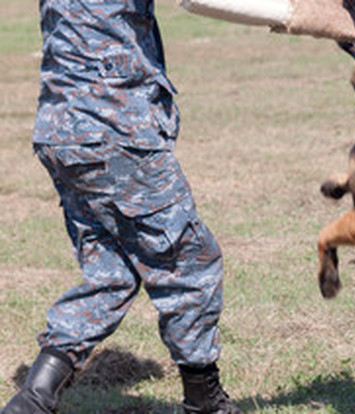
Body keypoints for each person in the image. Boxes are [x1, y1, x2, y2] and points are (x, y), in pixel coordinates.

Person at [1, 1, 241, 413]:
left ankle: (34, 397)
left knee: (111, 272)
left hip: (61, 127)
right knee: (189, 263)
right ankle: (205, 400)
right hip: (114, 126)